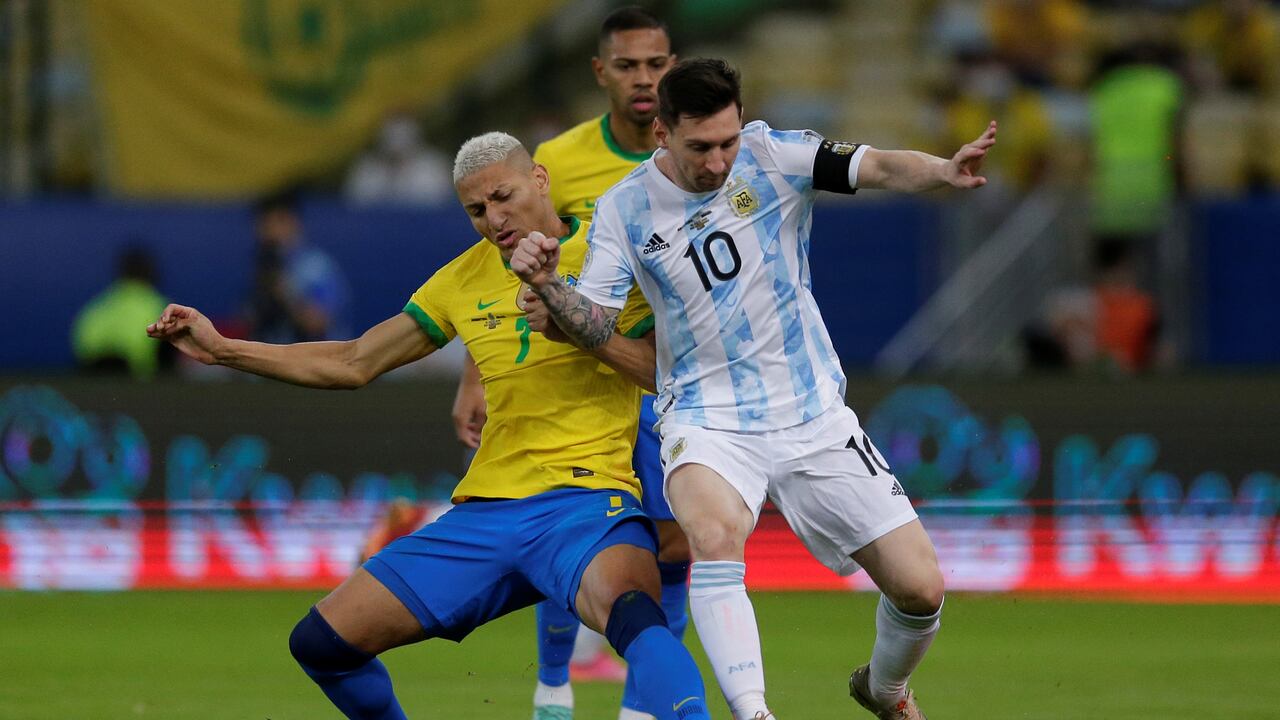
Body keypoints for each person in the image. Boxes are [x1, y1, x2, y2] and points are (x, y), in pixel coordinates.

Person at [147, 131, 710, 720]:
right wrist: (224, 350)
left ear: (540, 180)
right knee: (321, 644)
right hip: (486, 513)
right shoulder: (461, 280)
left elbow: (669, 371)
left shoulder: (614, 249)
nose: (494, 219)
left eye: (503, 196)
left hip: (585, 504)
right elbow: (354, 361)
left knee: (637, 618)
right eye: (476, 209)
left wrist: (579, 324)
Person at [513, 58, 998, 720]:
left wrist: (943, 170)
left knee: (921, 589)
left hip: (811, 412)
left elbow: (880, 166)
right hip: (705, 417)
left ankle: (884, 690)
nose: (717, 162)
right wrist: (550, 288)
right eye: (700, 148)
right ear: (663, 135)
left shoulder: (773, 155)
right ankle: (754, 712)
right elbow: (596, 322)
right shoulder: (625, 208)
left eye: (727, 142)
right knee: (713, 535)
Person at [448, 9, 688, 719]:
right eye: (628, 65)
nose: (643, 79)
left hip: (666, 371)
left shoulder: (698, 150)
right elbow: (502, 270)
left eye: (655, 65)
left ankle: (639, 709)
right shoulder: (559, 158)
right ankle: (553, 688)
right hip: (583, 376)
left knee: (675, 545)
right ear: (600, 72)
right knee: (567, 530)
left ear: (672, 67)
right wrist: (476, 372)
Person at [245, 190, 353, 344]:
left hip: (317, 353)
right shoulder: (265, 265)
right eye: (262, 223)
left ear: (292, 221)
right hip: (274, 350)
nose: (267, 230)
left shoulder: (315, 267)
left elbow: (317, 322)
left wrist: (284, 293)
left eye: (274, 222)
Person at [72, 245, 170, 379]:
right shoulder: (161, 309)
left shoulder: (95, 308)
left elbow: (83, 347)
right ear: (152, 274)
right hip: (139, 383)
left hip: (93, 382)